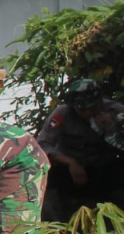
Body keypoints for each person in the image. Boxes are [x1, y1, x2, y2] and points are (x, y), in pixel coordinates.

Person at [37, 78, 124, 221]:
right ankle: (54, 225)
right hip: (70, 169)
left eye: (91, 107)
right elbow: (43, 144)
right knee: (47, 176)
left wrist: (112, 126)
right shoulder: (62, 114)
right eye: (81, 109)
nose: (86, 112)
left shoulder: (117, 112)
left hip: (105, 167)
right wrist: (70, 162)